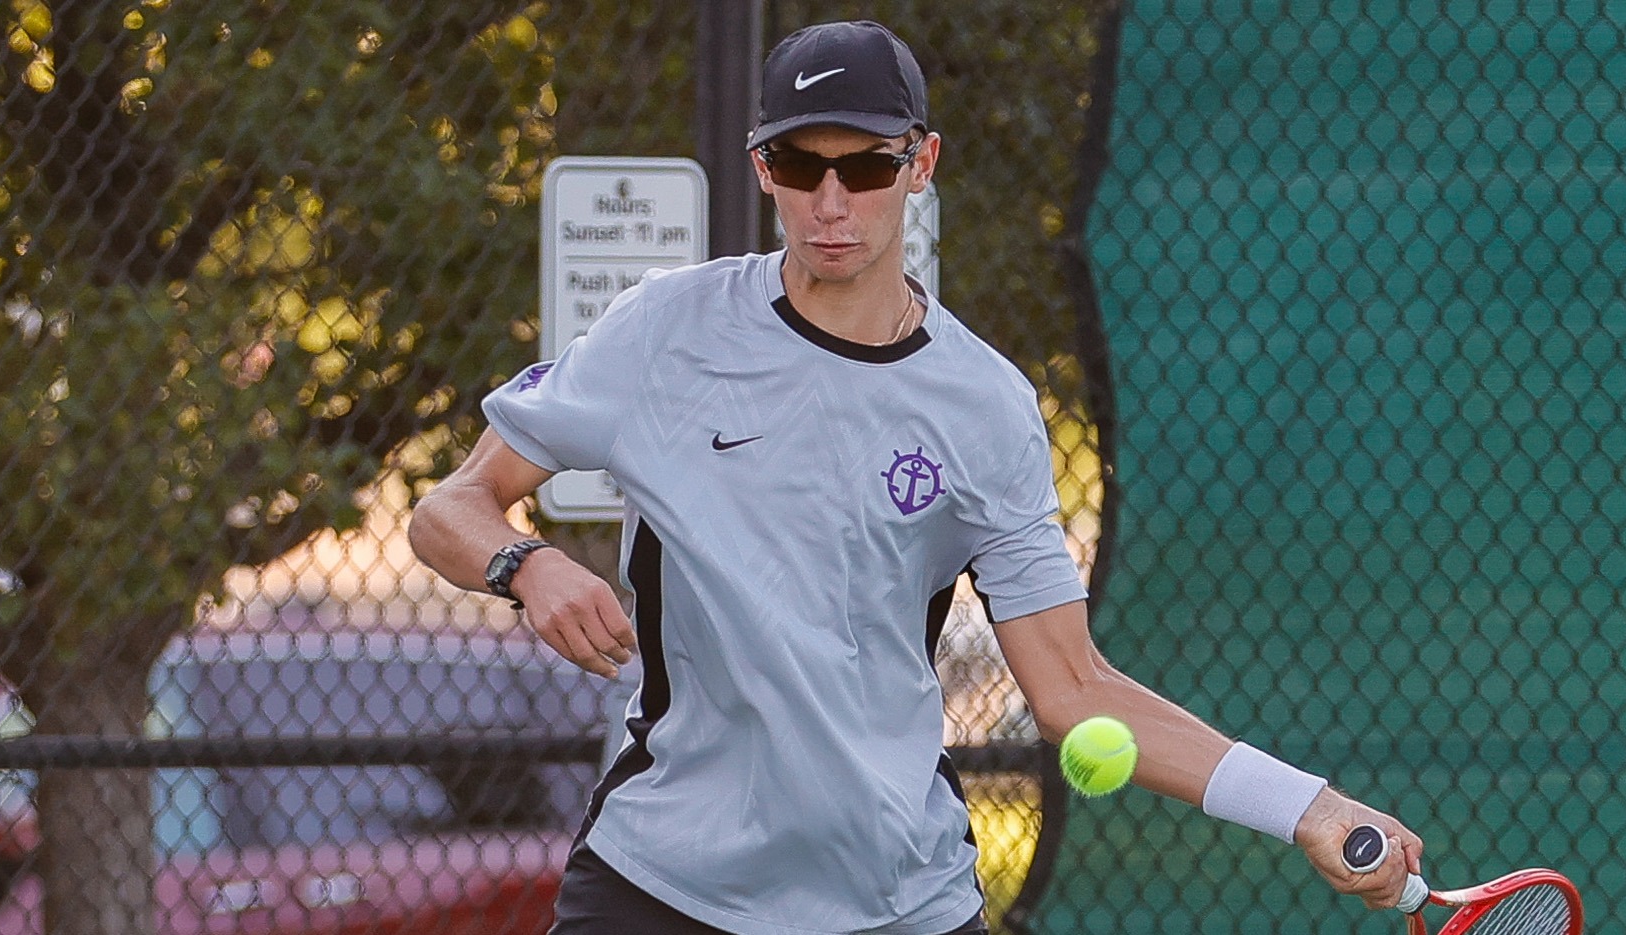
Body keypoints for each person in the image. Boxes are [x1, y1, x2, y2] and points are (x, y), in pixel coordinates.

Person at [408, 19, 1422, 935]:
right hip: (663, 881)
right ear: (762, 167)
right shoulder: (664, 329)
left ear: (920, 163)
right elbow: (449, 507)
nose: (830, 201)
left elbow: (1073, 687)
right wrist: (524, 564)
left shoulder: (984, 405)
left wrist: (1307, 806)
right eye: (798, 164)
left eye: (865, 165)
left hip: (897, 896)